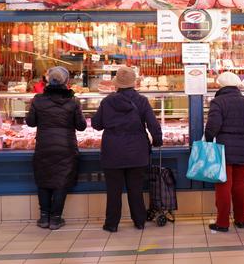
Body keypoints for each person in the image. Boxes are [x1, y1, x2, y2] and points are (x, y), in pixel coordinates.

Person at [92, 66, 162, 232]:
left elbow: (96, 124)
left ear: (117, 84)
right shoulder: (142, 101)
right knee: (135, 189)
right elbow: (153, 124)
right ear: (133, 83)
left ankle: (111, 224)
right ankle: (139, 221)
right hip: (137, 151)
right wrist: (157, 141)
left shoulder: (107, 101)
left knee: (113, 191)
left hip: (112, 151)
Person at [26, 66, 87, 230]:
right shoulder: (73, 101)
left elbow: (30, 122)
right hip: (66, 147)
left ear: (48, 80)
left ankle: (43, 217)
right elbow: (81, 126)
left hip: (44, 146)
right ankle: (56, 219)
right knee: (62, 181)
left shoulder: (38, 100)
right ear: (66, 81)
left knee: (44, 181)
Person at [205, 72, 244, 232]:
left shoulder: (218, 102)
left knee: (223, 184)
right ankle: (241, 220)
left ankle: (222, 223)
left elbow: (212, 127)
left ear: (221, 85)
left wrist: (209, 141)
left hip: (223, 149)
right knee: (239, 184)